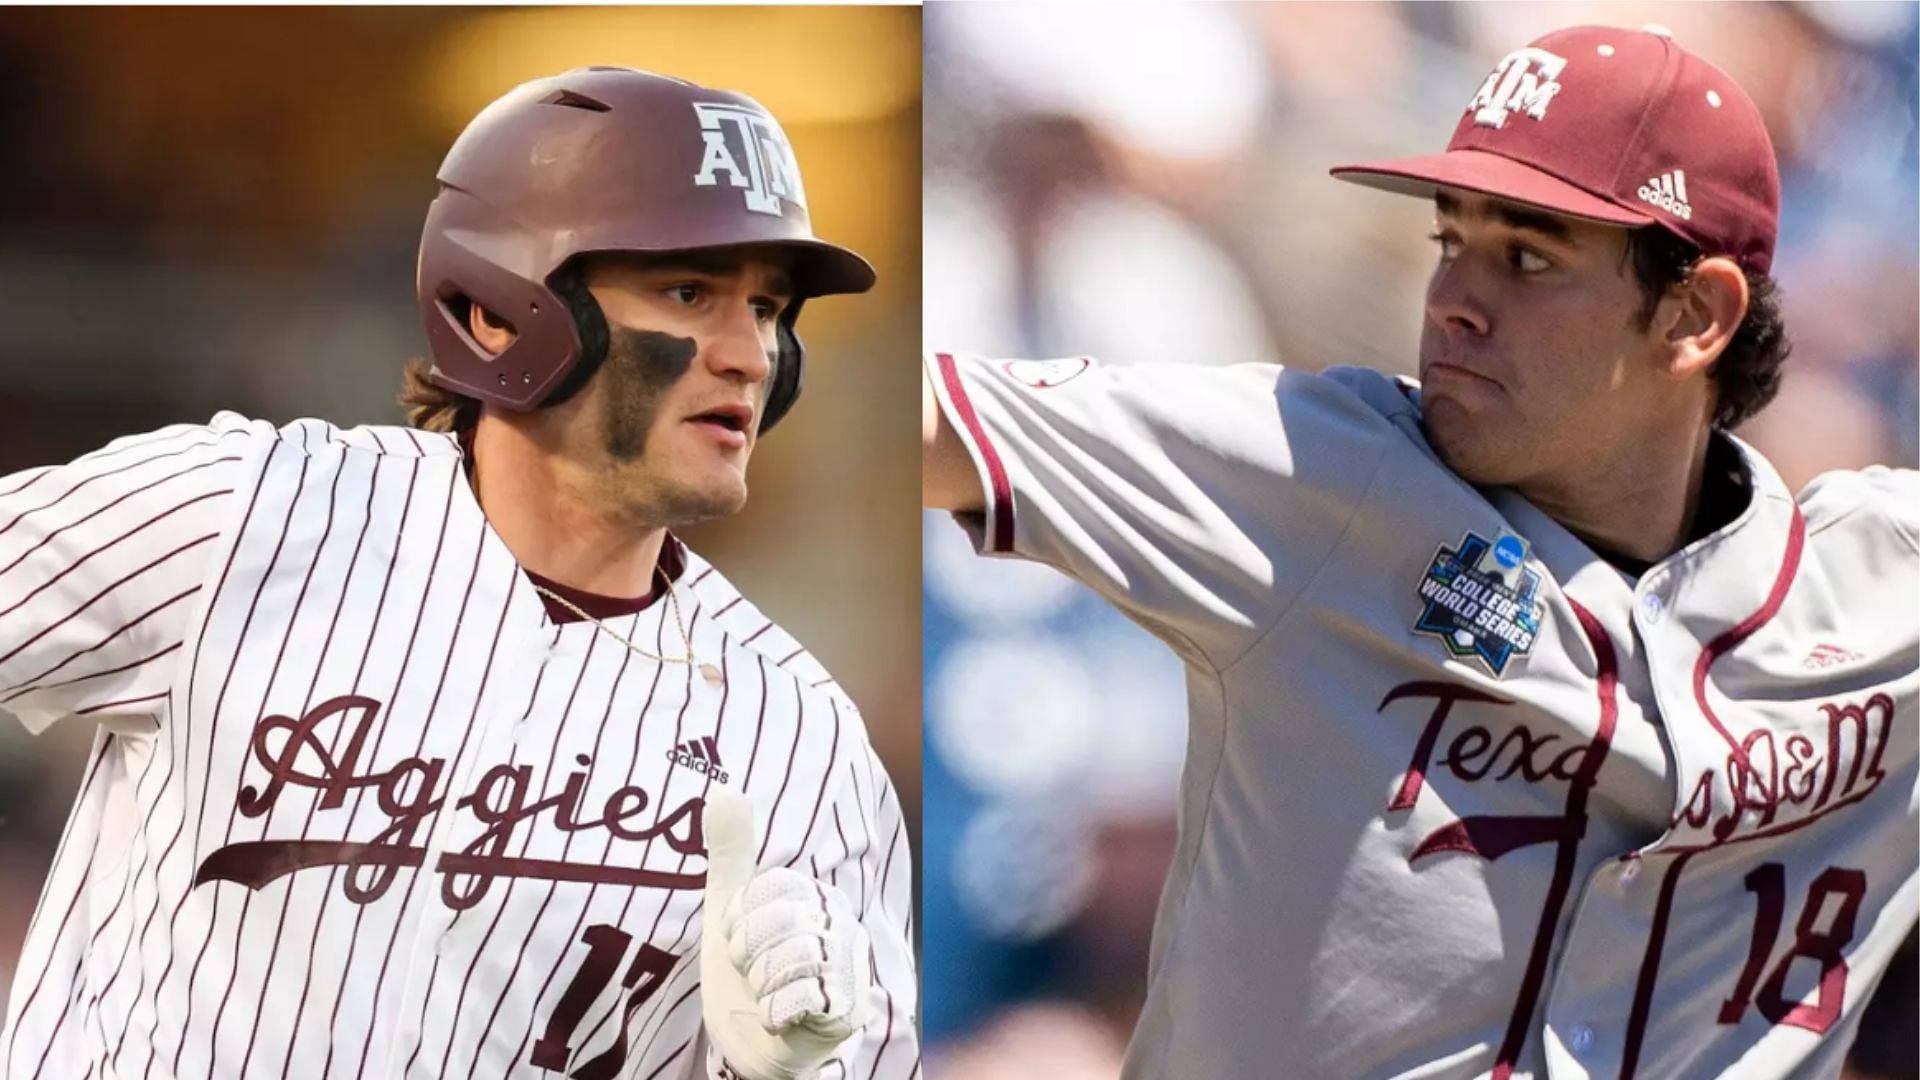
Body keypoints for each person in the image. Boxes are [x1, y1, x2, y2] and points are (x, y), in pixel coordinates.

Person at [924, 25, 1915, 1080]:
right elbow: (926, 423)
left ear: (1696, 313)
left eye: (1529, 257)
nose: (1453, 301)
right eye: (1454, 241)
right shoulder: (1316, 473)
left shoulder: (1876, 593)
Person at [0, 66, 918, 1080]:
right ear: (500, 310)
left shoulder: (800, 739)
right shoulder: (243, 516)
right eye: (691, 291)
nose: (750, 353)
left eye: (772, 308)